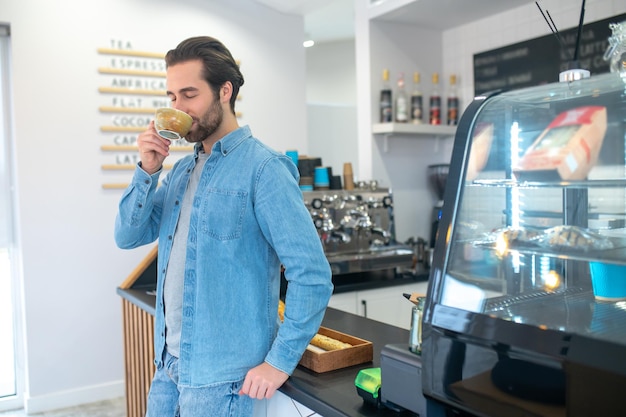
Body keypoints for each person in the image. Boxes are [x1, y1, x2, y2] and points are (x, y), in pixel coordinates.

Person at [114, 36, 333, 417]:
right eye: (171, 97)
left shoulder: (265, 169)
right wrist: (147, 170)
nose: (178, 108)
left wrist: (279, 362)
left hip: (225, 382)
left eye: (189, 94)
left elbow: (312, 275)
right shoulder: (180, 171)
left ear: (225, 91)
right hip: (167, 368)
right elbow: (127, 235)